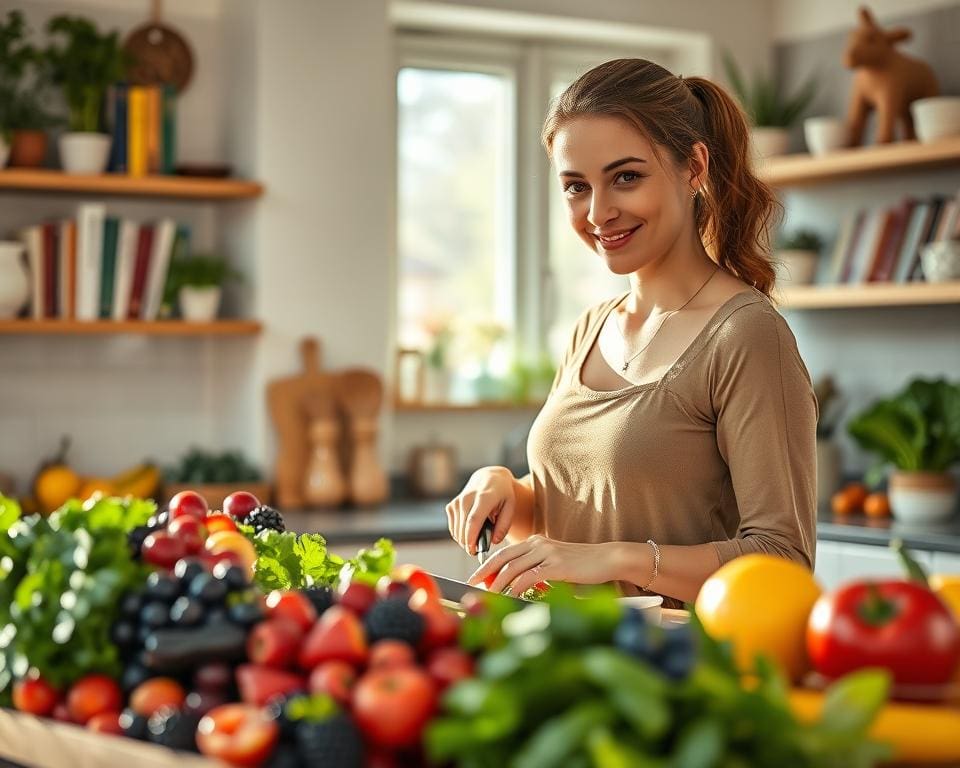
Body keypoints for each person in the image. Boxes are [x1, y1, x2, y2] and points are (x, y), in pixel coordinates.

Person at [446, 58, 818, 605]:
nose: (599, 213)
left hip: (680, 671)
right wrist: (509, 492)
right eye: (576, 187)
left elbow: (782, 561)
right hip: (570, 660)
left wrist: (619, 558)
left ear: (693, 167)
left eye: (626, 177)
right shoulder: (591, 328)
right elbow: (581, 519)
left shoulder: (746, 335)